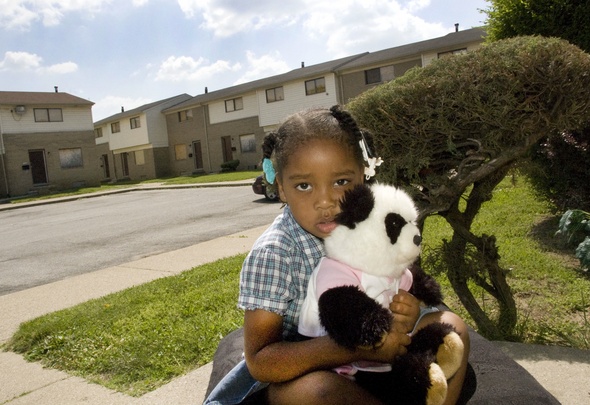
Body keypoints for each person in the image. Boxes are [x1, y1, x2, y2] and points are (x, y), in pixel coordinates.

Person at [205, 105, 470, 405]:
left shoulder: (375, 222)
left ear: (363, 176)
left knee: (452, 327)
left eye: (341, 182)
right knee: (316, 392)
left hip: (379, 363)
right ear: (280, 187)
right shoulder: (275, 254)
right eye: (304, 186)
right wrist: (356, 348)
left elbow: (400, 281)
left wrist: (407, 309)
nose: (326, 201)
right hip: (307, 371)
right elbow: (262, 362)